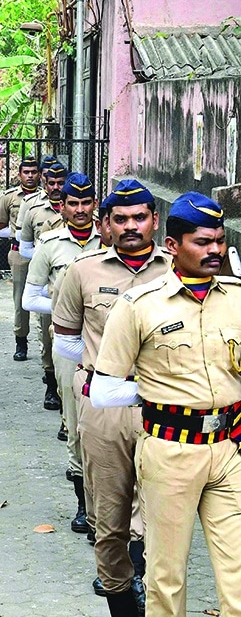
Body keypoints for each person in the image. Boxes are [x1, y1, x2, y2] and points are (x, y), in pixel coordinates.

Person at [92, 192, 241, 617]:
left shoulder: (236, 297)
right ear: (172, 245)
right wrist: (163, 397)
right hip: (169, 451)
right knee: (166, 576)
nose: (215, 250)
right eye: (202, 241)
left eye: (218, 240)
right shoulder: (139, 306)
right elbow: (103, 390)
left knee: (238, 572)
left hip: (230, 449)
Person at [52, 179, 168, 614]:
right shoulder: (83, 271)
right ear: (106, 225)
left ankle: (148, 585)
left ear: (155, 221)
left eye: (140, 217)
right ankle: (120, 594)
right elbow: (65, 340)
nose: (131, 226)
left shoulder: (177, 269)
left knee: (161, 510)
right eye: (120, 218)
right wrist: (101, 375)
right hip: (104, 409)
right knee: (108, 513)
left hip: (164, 408)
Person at [21, 173, 101, 534]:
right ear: (63, 206)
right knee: (75, 422)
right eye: (73, 203)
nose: (80, 210)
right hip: (69, 344)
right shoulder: (51, 244)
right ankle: (84, 505)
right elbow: (29, 297)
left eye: (86, 203)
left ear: (94, 204)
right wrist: (64, 310)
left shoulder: (111, 239)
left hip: (111, 343)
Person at [18, 161, 69, 412]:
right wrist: (43, 260)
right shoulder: (34, 209)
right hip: (48, 288)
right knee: (48, 341)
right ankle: (51, 385)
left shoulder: (82, 213)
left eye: (61, 183)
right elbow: (24, 245)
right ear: (44, 183)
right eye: (52, 183)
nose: (56, 187)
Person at [0, 156, 42, 361]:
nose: (30, 176)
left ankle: (46, 346)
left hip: (43, 254)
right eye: (26, 172)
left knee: (46, 298)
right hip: (19, 253)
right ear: (19, 174)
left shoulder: (46, 198)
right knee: (20, 298)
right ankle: (20, 342)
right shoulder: (9, 197)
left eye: (34, 172)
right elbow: (0, 227)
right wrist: (18, 235)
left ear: (40, 175)